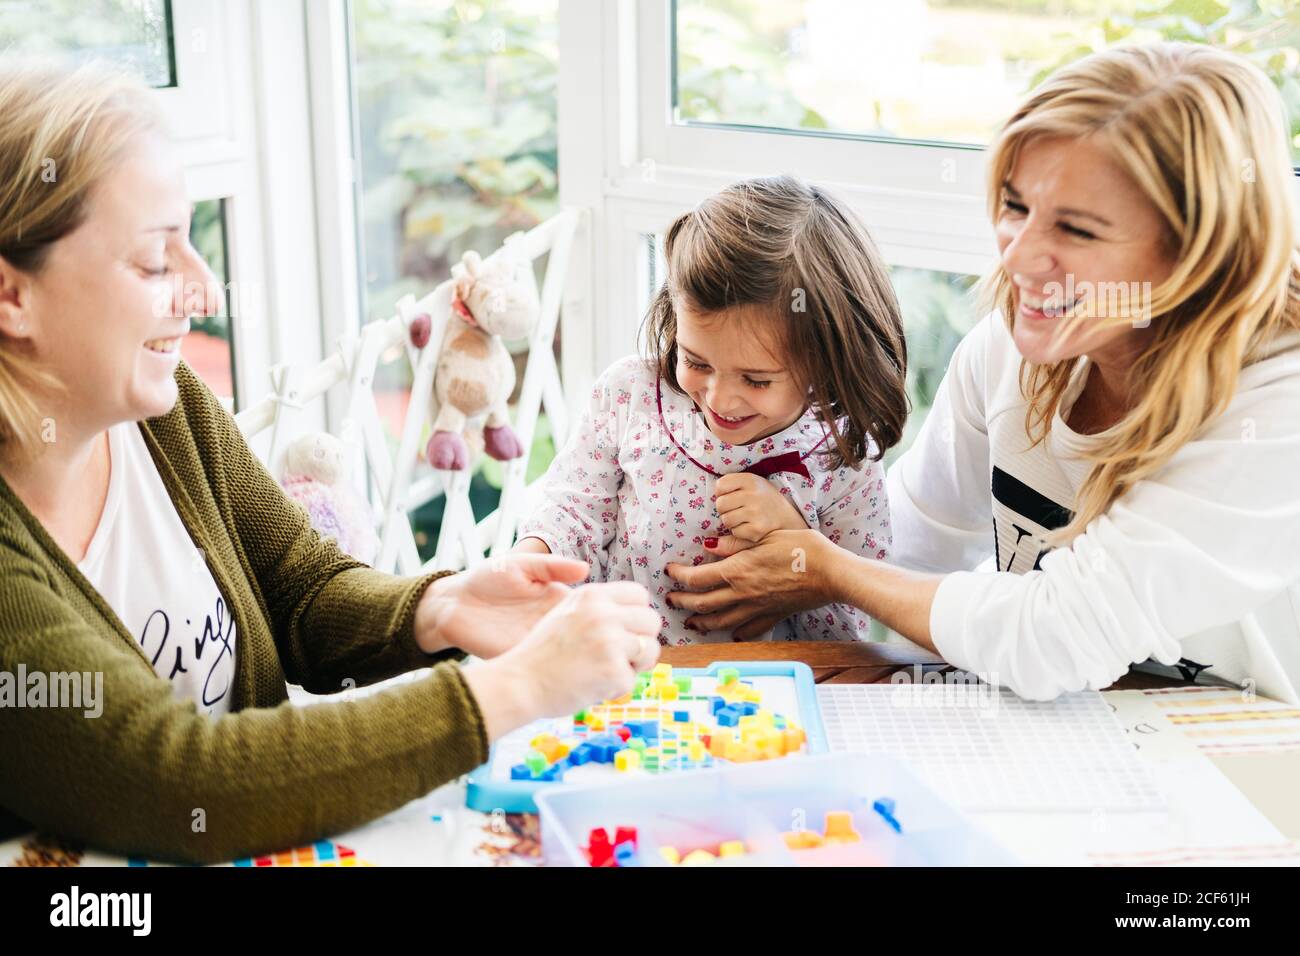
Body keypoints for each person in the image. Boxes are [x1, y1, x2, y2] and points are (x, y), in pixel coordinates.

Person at [0, 62, 659, 864]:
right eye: (153, 262)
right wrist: (515, 688)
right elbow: (176, 779)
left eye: (191, 244)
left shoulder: (164, 411)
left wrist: (440, 608)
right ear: (13, 298)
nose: (204, 292)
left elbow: (301, 587)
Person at [664, 43, 1300, 704]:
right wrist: (784, 551)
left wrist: (823, 567)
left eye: (1077, 230)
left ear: (1198, 249)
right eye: (1016, 207)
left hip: (1255, 754)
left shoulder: (1275, 407)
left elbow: (1053, 640)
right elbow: (907, 553)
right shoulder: (1007, 351)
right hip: (1072, 728)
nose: (1019, 259)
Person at [515, 175, 908, 644]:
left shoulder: (842, 453)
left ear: (825, 362)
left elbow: (845, 630)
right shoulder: (629, 395)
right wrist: (532, 559)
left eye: (757, 380)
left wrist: (798, 543)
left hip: (762, 699)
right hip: (627, 674)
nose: (720, 399)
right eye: (696, 361)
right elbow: (574, 512)